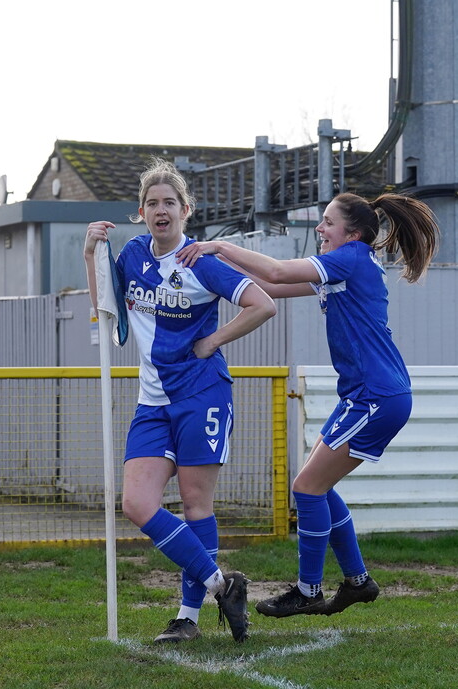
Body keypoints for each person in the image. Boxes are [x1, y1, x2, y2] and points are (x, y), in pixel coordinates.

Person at [176, 191, 439, 618]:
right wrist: (211, 274)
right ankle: (356, 581)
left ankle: (308, 590)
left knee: (306, 488)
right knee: (316, 486)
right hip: (365, 395)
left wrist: (218, 246)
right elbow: (269, 287)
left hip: (376, 397)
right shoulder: (348, 263)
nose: (319, 229)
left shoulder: (351, 257)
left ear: (351, 234)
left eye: (327, 223)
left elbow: (278, 271)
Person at [83, 158, 276, 643]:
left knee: (195, 505)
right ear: (142, 213)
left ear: (186, 210)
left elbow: (262, 304)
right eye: (152, 203)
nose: (161, 210)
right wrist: (90, 255)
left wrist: (213, 342)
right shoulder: (131, 256)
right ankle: (222, 585)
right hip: (152, 402)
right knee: (136, 503)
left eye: (170, 202)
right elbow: (104, 309)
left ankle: (187, 618)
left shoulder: (202, 262)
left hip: (202, 396)